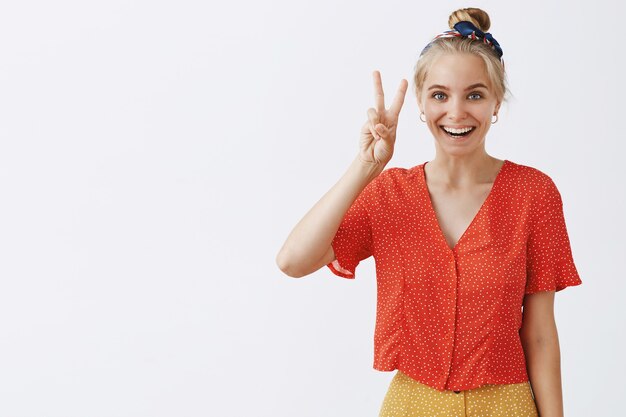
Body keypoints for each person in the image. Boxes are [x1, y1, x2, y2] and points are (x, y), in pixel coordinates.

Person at [276, 7, 581, 417]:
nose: (456, 112)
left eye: (474, 94)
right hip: (412, 404)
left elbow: (541, 333)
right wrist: (366, 166)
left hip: (507, 403)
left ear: (495, 103)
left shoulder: (534, 194)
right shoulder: (389, 194)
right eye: (440, 95)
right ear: (421, 103)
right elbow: (293, 261)